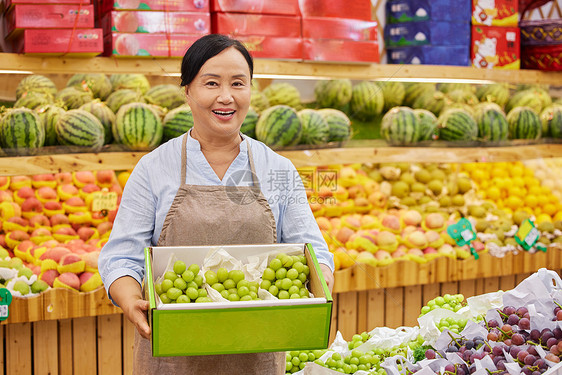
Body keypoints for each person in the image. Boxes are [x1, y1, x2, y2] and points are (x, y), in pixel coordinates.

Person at [98, 33, 335, 374]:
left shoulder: (277, 169)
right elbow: (121, 256)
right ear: (188, 91)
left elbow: (314, 250)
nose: (226, 97)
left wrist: (317, 288)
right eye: (211, 83)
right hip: (172, 353)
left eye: (238, 83)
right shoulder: (153, 168)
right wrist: (130, 299)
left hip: (257, 351)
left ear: (251, 90)